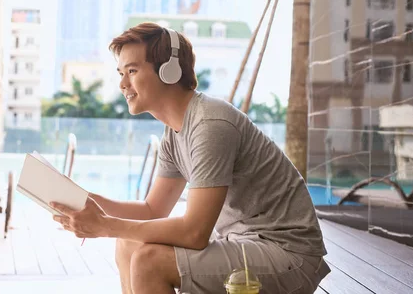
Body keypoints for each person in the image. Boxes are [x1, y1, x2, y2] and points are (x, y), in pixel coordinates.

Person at [50, 22, 330, 294]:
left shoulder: (210, 124)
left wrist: (105, 225)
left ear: (169, 71)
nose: (123, 83)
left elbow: (195, 233)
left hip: (288, 255)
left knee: (149, 262)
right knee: (128, 244)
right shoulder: (174, 132)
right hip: (243, 243)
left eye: (132, 70)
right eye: (121, 73)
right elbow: (152, 209)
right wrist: (84, 199)